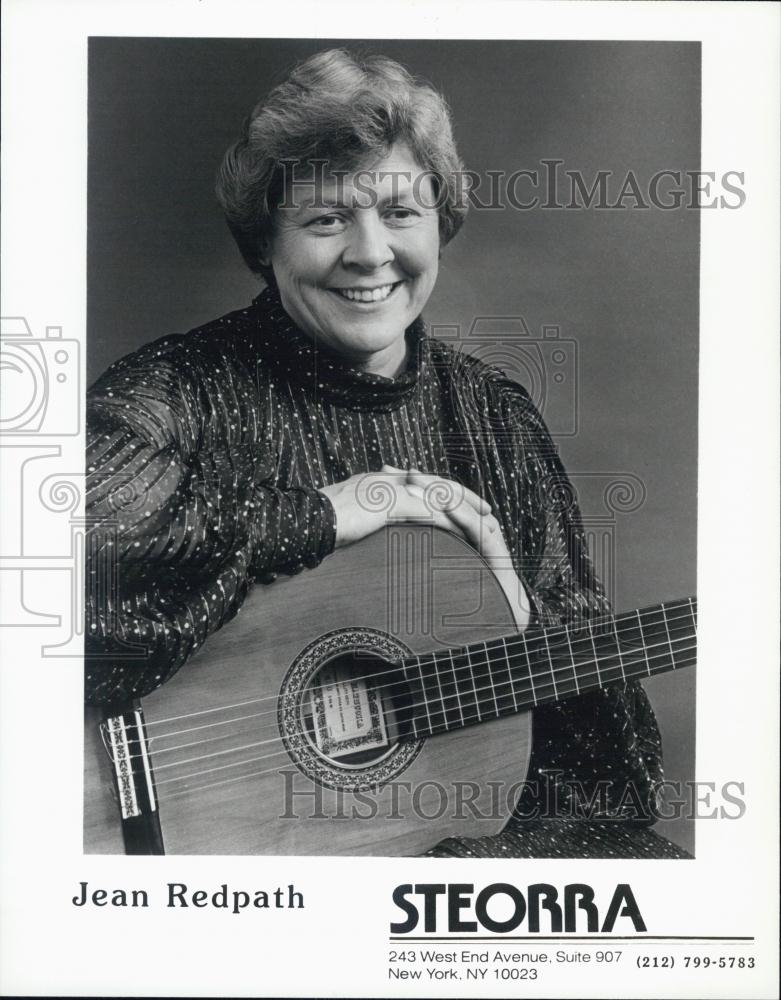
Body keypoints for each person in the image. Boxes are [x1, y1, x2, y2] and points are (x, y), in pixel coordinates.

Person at [85, 48, 688, 858]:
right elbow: (61, 547)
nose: (370, 255)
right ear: (267, 240)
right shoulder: (180, 391)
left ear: (440, 223)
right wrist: (328, 513)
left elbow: (598, 776)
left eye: (400, 212)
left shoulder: (491, 421)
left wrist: (524, 626)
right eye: (328, 218)